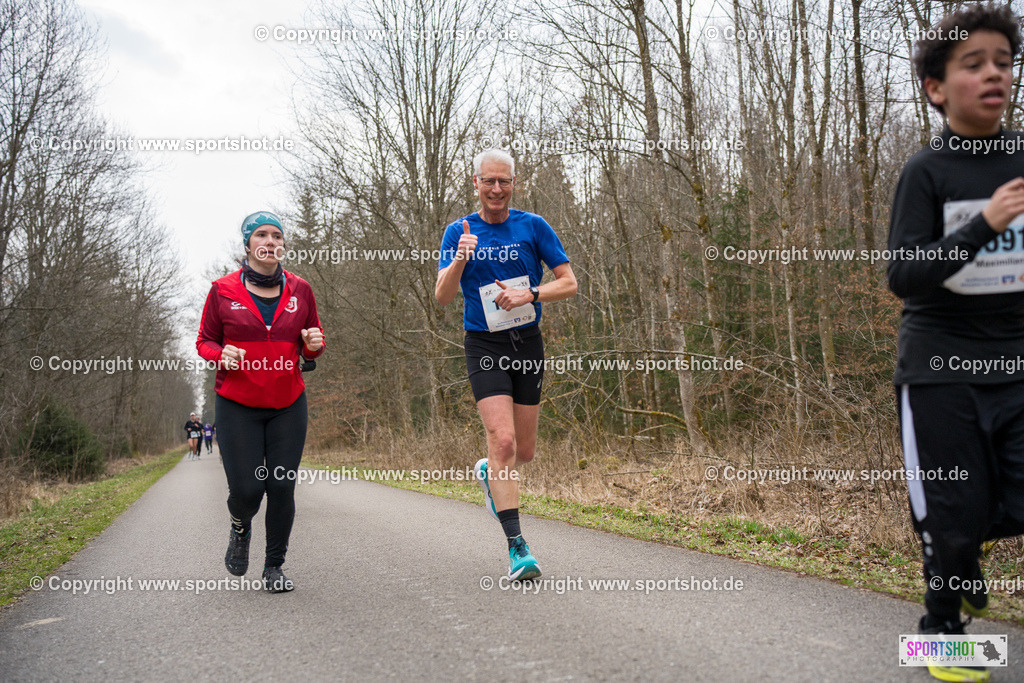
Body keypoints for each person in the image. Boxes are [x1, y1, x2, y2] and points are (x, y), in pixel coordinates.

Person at [888, 5, 1023, 681]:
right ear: (937, 87)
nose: (994, 73)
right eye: (974, 64)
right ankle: (943, 629)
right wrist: (987, 224)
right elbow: (903, 274)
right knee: (951, 510)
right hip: (940, 368)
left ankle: (964, 552)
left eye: (1003, 60)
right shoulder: (927, 172)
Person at [435, 149, 577, 580]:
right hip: (483, 343)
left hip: (527, 344)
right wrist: (460, 257)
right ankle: (518, 548)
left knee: (524, 453)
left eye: (505, 182)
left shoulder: (533, 226)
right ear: (475, 183)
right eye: (489, 181)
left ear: (514, 183)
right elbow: (441, 296)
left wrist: (530, 294)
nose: (496, 189)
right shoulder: (457, 231)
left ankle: (488, 475)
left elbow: (569, 283)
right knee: (503, 443)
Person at [196, 210, 325, 593]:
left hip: (288, 402)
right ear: (248, 244)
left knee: (282, 486)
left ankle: (274, 566)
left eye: (277, 236)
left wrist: (314, 347)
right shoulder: (223, 289)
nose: (271, 242)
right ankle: (240, 526)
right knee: (248, 491)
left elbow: (311, 341)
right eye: (262, 235)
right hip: (237, 404)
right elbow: (204, 340)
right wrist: (220, 354)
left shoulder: (301, 289)